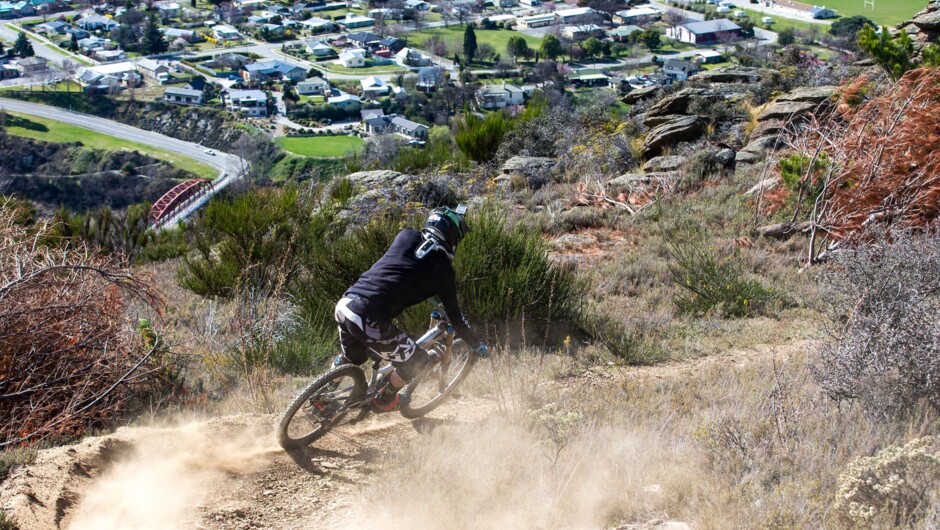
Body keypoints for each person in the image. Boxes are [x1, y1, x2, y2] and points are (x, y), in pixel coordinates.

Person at [333, 205, 489, 412]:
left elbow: (402, 271)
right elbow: (456, 319)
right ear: (453, 239)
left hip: (346, 304)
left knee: (354, 358)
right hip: (368, 317)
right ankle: (384, 399)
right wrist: (475, 344)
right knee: (419, 361)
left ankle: (322, 394)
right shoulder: (443, 271)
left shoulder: (405, 235)